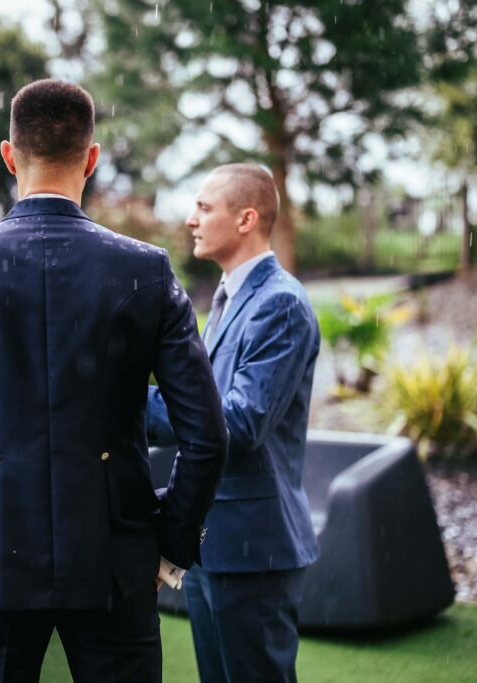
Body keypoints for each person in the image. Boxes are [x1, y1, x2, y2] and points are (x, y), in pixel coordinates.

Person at [0, 79, 227, 683]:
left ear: (9, 156)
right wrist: (166, 537)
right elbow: (207, 436)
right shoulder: (144, 268)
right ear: (92, 157)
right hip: (115, 557)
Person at [146, 163, 321, 683]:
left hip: (255, 548)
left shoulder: (280, 304)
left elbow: (241, 422)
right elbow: (205, 402)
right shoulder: (226, 300)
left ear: (246, 219)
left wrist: (129, 411)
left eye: (203, 207)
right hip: (212, 542)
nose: (190, 220)